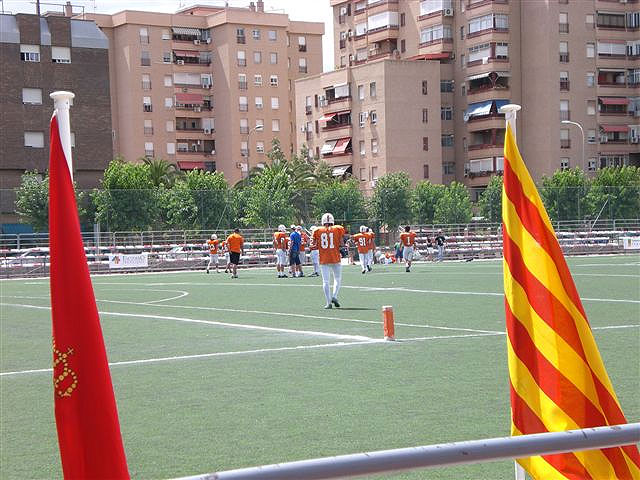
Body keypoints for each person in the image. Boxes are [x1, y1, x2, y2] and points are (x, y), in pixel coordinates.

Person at [312, 212, 345, 309]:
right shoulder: (338, 229)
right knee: (337, 279)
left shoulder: (317, 230)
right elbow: (341, 243)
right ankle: (334, 296)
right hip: (335, 257)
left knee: (325, 281)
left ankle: (328, 302)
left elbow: (314, 244)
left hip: (324, 258)